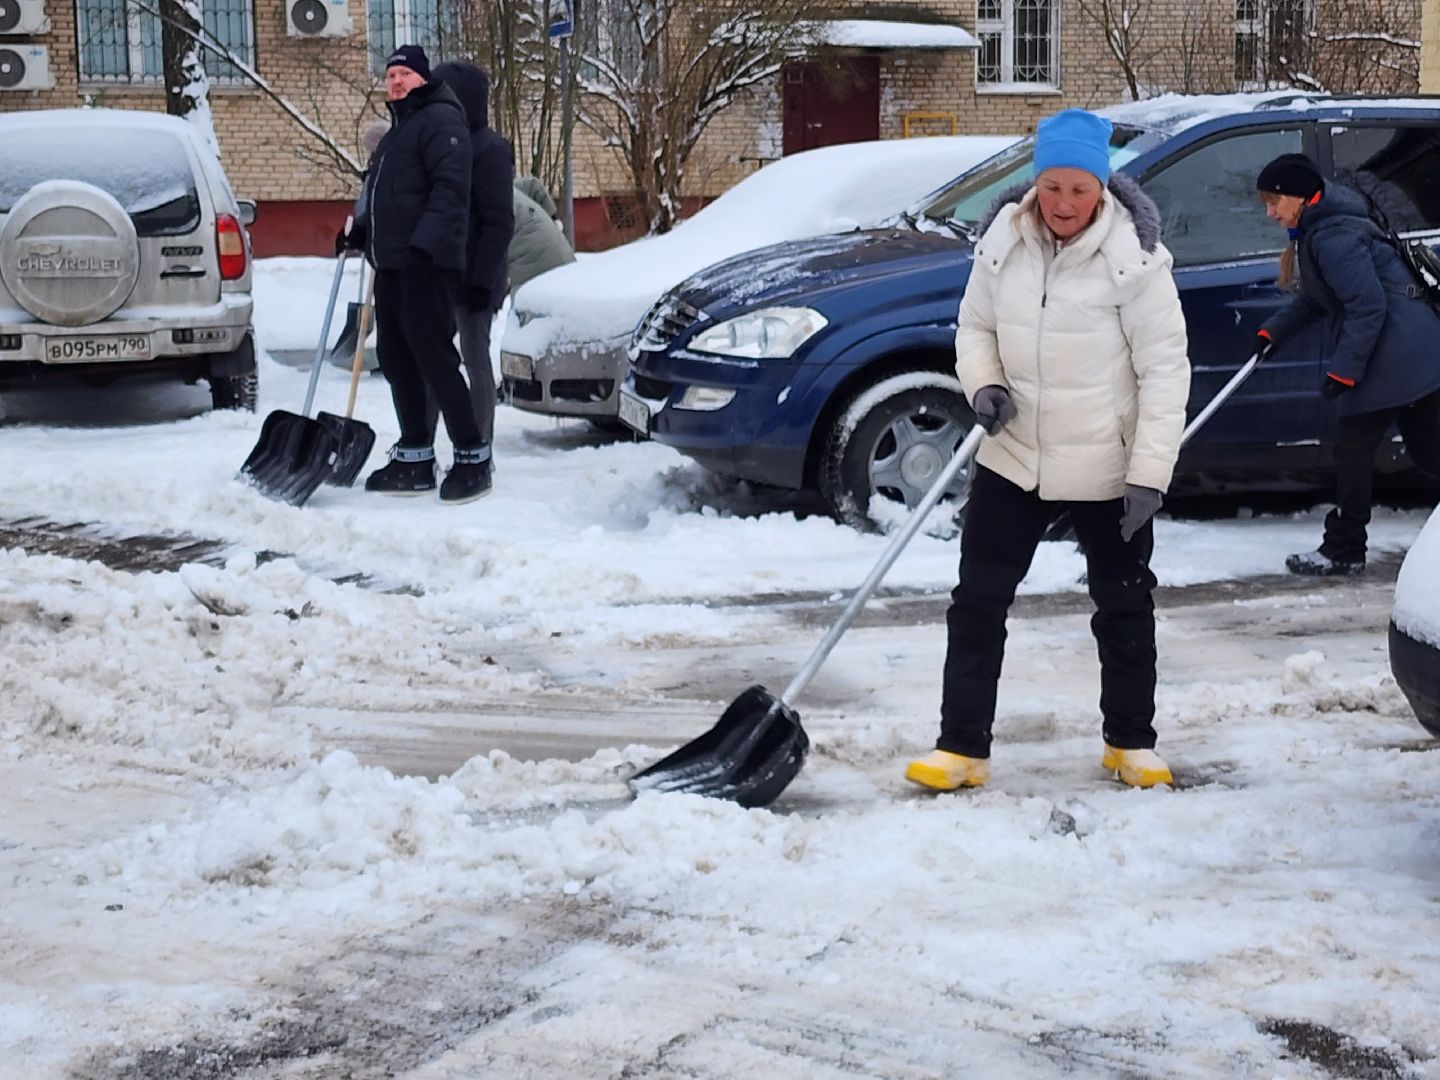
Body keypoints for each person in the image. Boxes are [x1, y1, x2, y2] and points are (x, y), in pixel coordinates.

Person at [905, 108, 1191, 792]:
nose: (1065, 204)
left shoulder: (1137, 260)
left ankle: (1131, 742)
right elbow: (974, 328)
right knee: (977, 601)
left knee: (1124, 603)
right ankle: (962, 748)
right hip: (1014, 454)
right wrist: (985, 385)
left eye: (1080, 190)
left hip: (1107, 464)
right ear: (1036, 183)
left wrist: (1149, 474)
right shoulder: (1003, 238)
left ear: (1103, 189)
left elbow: (1166, 369)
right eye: (1054, 187)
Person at [1253, 152, 1440, 576]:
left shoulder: (1331, 235)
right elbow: (1324, 298)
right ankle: (1345, 544)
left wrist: (1344, 370)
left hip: (1396, 353)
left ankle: (1344, 548)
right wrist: (1276, 330)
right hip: (1419, 349)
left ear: (1299, 197)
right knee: (1431, 452)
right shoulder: (1322, 226)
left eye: (1274, 201)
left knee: (1353, 450)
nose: (1269, 211)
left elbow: (1367, 306)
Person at [338, 45, 486, 504]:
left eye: (405, 74)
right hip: (393, 266)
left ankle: (472, 456)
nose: (396, 82)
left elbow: (449, 192)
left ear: (423, 79)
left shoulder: (442, 121)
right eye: (391, 75)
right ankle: (417, 455)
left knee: (435, 361)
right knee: (398, 361)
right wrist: (361, 232)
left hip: (428, 265)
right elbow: (387, 198)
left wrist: (424, 246)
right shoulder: (397, 134)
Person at [417, 60, 515, 487]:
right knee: (433, 363)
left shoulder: (490, 149)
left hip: (476, 277)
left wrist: (481, 281)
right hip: (438, 274)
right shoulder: (439, 141)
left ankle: (479, 450)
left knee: (475, 362)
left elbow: (498, 222)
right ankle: (421, 447)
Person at [509, 180, 576, 295]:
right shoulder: (504, 187)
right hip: (564, 259)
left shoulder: (486, 199)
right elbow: (533, 185)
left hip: (535, 272)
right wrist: (553, 219)